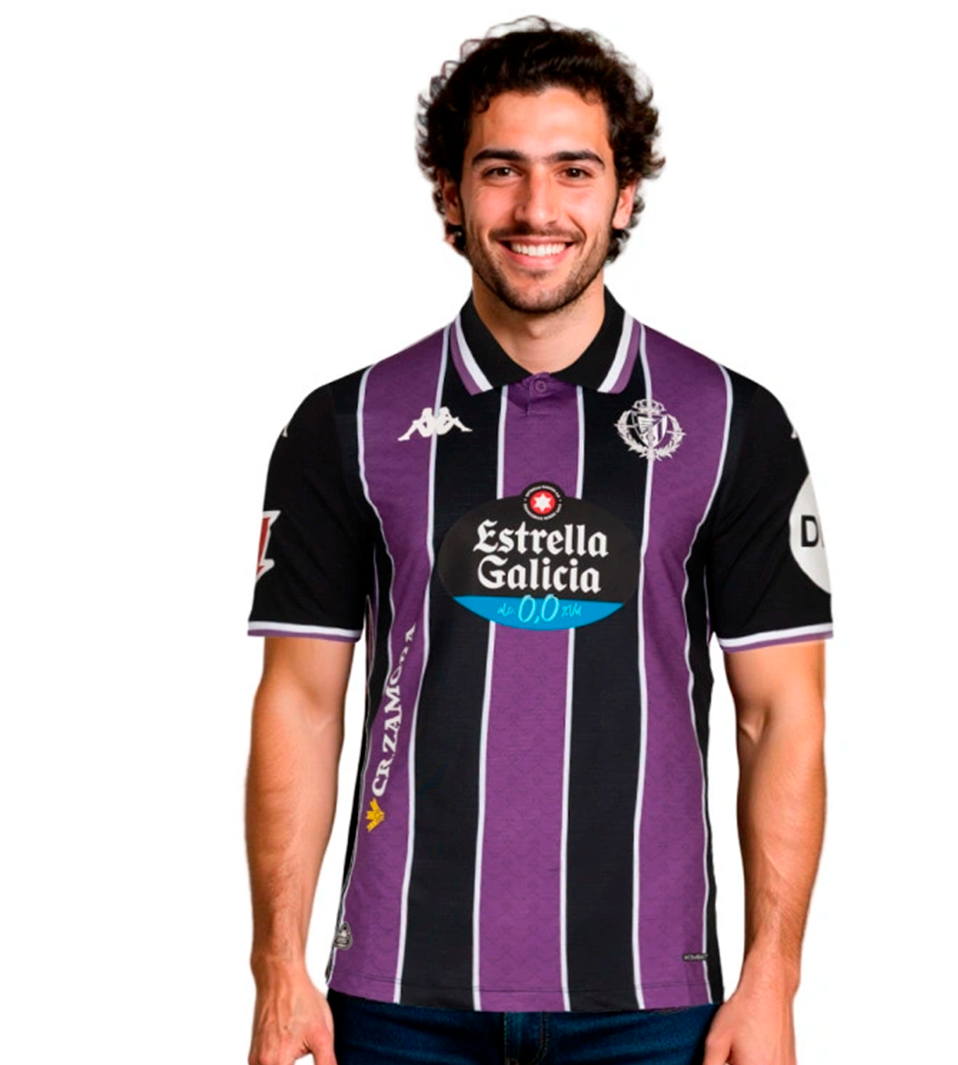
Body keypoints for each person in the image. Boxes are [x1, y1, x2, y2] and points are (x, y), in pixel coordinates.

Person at [245, 17, 832, 1065]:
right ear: (449, 194)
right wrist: (278, 967)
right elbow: (299, 702)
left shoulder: (733, 423)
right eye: (500, 170)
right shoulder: (347, 423)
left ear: (625, 194)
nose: (536, 209)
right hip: (396, 1001)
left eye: (574, 170)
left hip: (653, 1004)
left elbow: (779, 715)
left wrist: (772, 978)